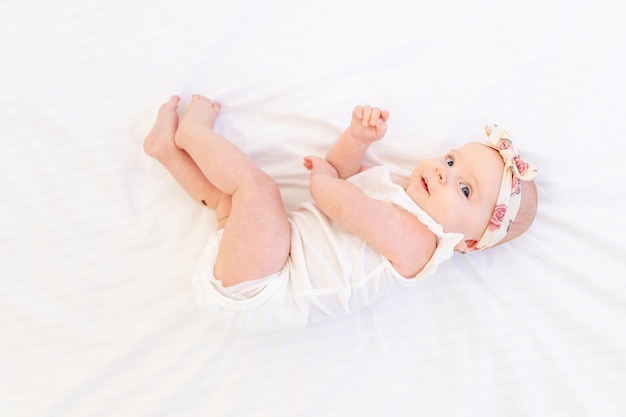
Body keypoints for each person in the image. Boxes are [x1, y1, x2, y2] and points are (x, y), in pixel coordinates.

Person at [143, 94, 538, 333]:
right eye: (451, 161)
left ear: (468, 242)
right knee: (226, 202)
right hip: (268, 259)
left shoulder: (420, 243)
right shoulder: (401, 186)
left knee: (257, 190)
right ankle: (167, 150)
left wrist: (322, 182)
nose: (443, 172)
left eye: (465, 189)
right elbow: (344, 174)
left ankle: (195, 135)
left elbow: (345, 205)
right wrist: (356, 140)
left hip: (266, 286)